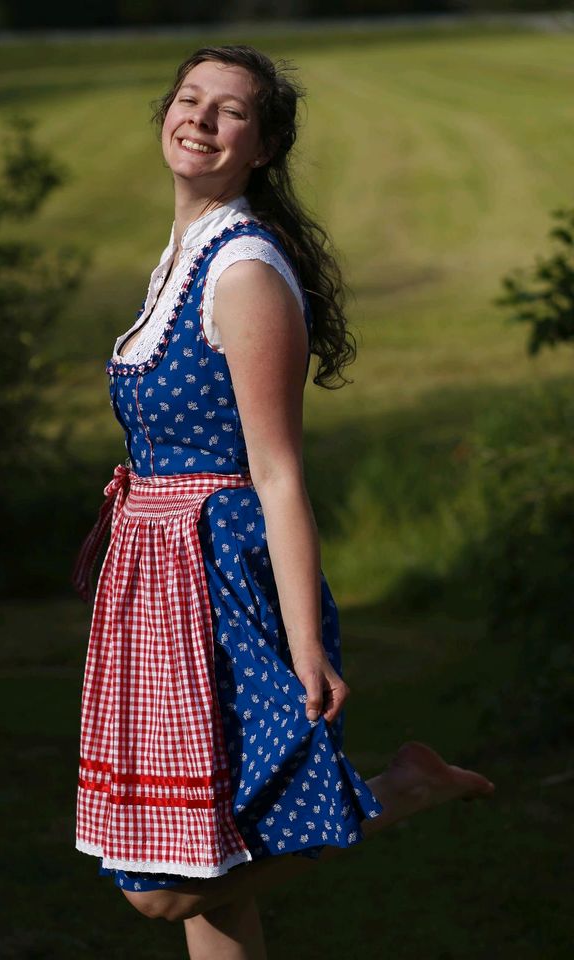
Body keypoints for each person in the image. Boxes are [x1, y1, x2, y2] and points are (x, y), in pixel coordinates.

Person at [73, 44, 495, 960]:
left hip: (217, 581)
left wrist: (305, 644)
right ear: (163, 115)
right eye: (189, 99)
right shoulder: (185, 253)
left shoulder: (243, 272)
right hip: (158, 588)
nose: (200, 119)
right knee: (210, 872)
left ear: (262, 147)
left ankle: (403, 791)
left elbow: (278, 474)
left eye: (229, 112)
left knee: (166, 887)